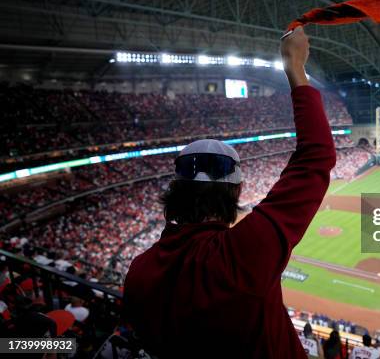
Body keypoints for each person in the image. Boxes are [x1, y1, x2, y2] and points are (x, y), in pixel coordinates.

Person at [123, 26, 336, 358]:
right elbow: (317, 156)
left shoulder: (139, 271)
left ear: (175, 190)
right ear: (237, 190)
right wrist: (295, 67)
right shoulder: (243, 253)